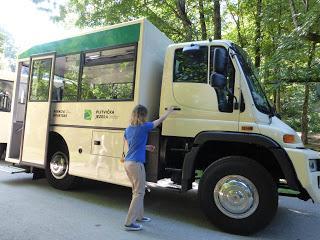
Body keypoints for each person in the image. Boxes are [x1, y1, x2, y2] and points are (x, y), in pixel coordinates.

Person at [123, 104, 175, 231]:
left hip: (128, 163)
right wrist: (168, 111)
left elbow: (132, 146)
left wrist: (146, 147)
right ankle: (129, 223)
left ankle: (139, 216)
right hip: (136, 164)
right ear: (143, 115)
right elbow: (159, 121)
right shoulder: (143, 127)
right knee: (139, 192)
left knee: (137, 191)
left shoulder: (128, 129)